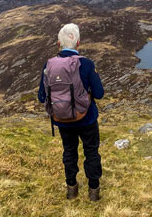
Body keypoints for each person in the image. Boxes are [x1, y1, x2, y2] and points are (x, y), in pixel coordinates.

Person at [38, 23, 104, 201]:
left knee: (69, 151)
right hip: (86, 118)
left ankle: (71, 189)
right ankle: (93, 192)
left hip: (62, 119)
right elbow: (99, 93)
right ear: (79, 43)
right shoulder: (86, 64)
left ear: (59, 44)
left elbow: (42, 96)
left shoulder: (49, 65)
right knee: (91, 151)